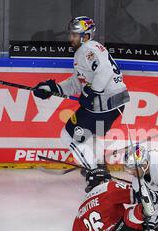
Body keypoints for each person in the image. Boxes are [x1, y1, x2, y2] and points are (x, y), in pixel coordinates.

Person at [33, 16, 129, 181]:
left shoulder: (86, 50)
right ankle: (98, 165)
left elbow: (104, 72)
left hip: (104, 104)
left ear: (85, 36)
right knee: (92, 134)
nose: (71, 38)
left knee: (68, 135)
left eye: (75, 35)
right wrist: (52, 89)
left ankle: (95, 173)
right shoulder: (92, 49)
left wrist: (90, 92)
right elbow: (77, 83)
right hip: (115, 104)